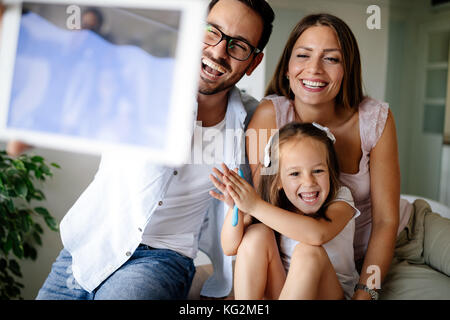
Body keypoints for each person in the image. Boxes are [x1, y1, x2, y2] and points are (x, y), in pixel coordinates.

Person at [7, 0, 275, 299]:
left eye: (238, 46)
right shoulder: (139, 81)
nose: (218, 51)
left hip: (163, 258)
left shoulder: (255, 121)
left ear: (253, 62)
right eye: (212, 32)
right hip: (87, 247)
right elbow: (63, 96)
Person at [245, 12, 450, 300]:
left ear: (347, 70)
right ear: (288, 68)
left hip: (408, 235)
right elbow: (261, 211)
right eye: (303, 55)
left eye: (331, 58)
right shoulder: (271, 116)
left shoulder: (375, 118)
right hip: (329, 263)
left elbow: (385, 222)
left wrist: (366, 293)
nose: (314, 69)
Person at [211, 122, 361, 299]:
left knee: (308, 252)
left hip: (330, 293)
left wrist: (254, 206)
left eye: (318, 170)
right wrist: (238, 207)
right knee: (256, 233)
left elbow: (317, 234)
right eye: (295, 174)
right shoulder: (270, 207)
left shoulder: (341, 199)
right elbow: (229, 247)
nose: (309, 182)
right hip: (285, 292)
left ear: (330, 170)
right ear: (279, 181)